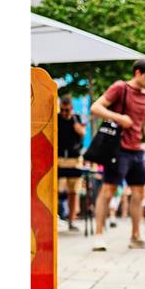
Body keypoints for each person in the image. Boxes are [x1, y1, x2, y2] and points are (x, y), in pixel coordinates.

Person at [90, 59, 145, 251]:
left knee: (140, 191)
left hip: (137, 150)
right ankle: (98, 235)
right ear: (137, 72)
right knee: (108, 190)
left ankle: (136, 236)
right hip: (118, 149)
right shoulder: (120, 88)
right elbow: (95, 107)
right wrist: (119, 118)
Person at [57, 96, 86, 231]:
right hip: (59, 158)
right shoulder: (56, 119)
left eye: (66, 110)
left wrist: (78, 128)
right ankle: (55, 218)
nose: (64, 113)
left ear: (71, 109)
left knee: (73, 192)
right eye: (62, 110)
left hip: (75, 159)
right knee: (55, 190)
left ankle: (71, 220)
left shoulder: (77, 119)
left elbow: (82, 134)